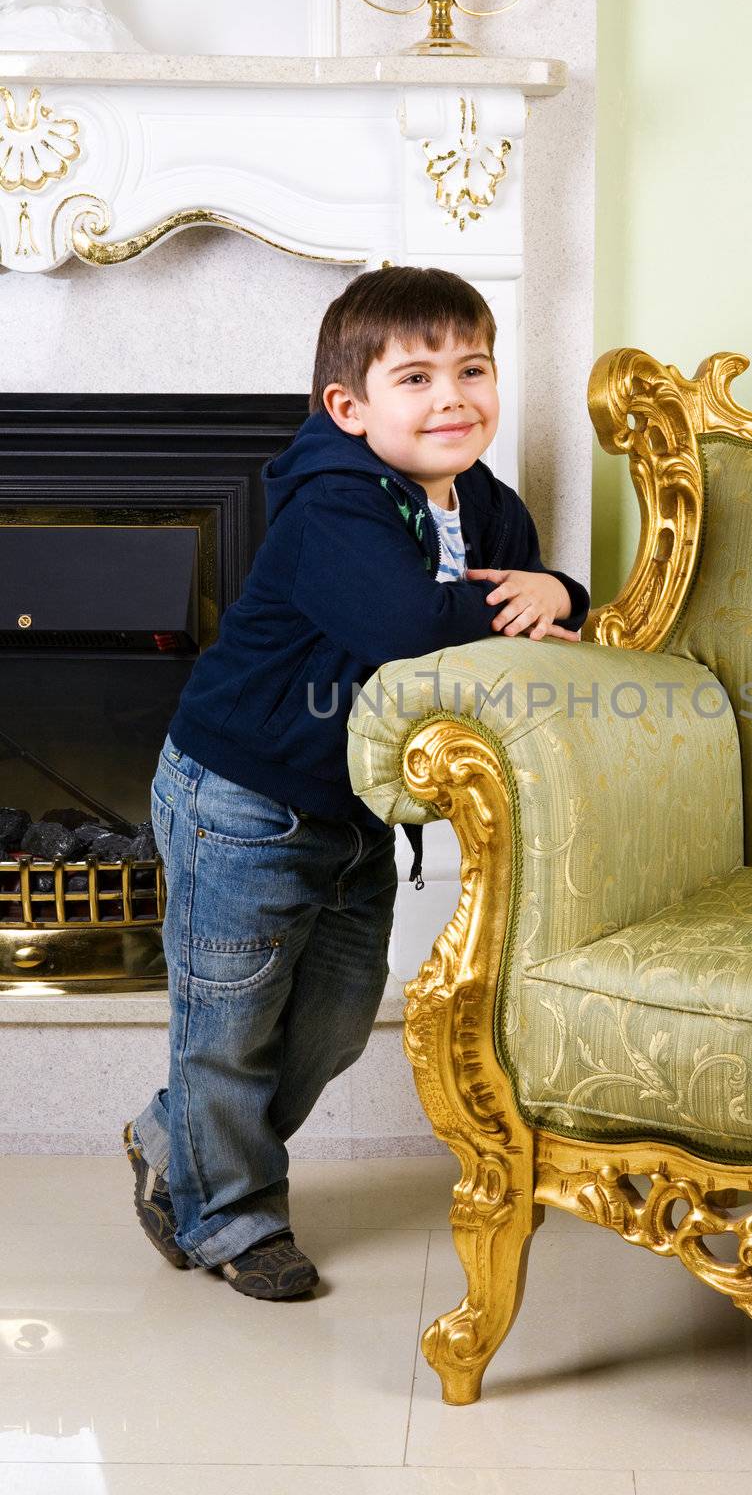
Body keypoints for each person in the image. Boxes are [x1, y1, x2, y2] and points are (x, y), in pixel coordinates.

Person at [122, 265, 591, 1300]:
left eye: (472, 369)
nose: (452, 397)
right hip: (238, 795)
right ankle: (226, 1218)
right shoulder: (330, 504)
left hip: (352, 810)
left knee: (334, 1021)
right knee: (229, 1028)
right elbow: (410, 627)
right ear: (349, 406)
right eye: (415, 378)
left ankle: (174, 1134)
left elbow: (521, 604)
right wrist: (519, 617)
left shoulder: (482, 505)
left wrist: (565, 588)